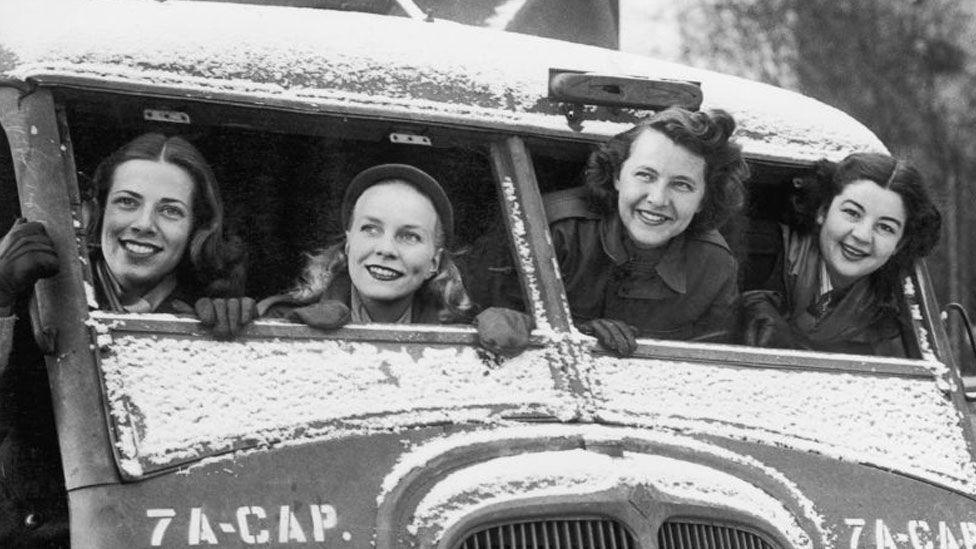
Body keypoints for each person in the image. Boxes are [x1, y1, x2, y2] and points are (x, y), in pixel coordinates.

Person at [471, 107, 749, 356]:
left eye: (682, 185)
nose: (658, 199)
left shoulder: (714, 266)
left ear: (704, 198)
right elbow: (479, 324)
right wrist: (578, 333)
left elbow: (712, 368)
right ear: (617, 176)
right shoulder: (550, 230)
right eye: (645, 175)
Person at [259, 163, 529, 356]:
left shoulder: (462, 341)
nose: (386, 249)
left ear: (434, 263)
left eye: (409, 236)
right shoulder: (280, 320)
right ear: (349, 241)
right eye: (371, 229)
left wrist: (526, 332)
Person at [738, 152, 942, 355]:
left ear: (899, 244)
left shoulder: (894, 310)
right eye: (852, 213)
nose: (862, 236)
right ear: (823, 212)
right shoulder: (758, 253)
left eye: (886, 228)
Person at [87, 132, 255, 338]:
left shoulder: (205, 311)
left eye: (170, 211)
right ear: (100, 211)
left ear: (196, 228)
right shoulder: (54, 291)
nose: (144, 224)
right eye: (127, 202)